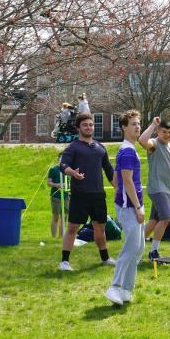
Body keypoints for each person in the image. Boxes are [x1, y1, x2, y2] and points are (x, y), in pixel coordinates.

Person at [59, 113, 116, 271]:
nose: (89, 127)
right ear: (78, 128)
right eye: (85, 125)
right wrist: (73, 173)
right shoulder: (73, 147)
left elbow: (109, 171)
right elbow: (63, 166)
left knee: (100, 228)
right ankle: (64, 262)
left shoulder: (100, 147)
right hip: (80, 194)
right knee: (72, 228)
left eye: (91, 124)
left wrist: (119, 188)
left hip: (98, 195)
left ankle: (105, 258)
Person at [105, 110, 145, 306]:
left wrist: (118, 192)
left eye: (138, 124)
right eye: (133, 124)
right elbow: (127, 181)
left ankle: (126, 290)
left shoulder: (129, 148)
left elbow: (116, 177)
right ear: (123, 127)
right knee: (131, 248)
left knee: (138, 248)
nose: (137, 127)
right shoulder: (128, 150)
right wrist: (137, 207)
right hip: (130, 206)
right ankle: (115, 286)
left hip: (131, 205)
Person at [139, 117, 170, 260]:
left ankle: (134, 247)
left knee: (154, 221)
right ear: (158, 132)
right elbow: (141, 141)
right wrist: (153, 124)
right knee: (166, 218)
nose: (167, 134)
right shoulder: (154, 144)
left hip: (166, 189)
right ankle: (153, 252)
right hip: (157, 188)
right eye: (164, 131)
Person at [47, 152, 70, 238]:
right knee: (56, 217)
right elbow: (49, 183)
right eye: (61, 158)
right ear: (58, 159)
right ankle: (53, 237)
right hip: (56, 197)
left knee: (64, 217)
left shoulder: (68, 170)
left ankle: (61, 237)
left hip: (66, 196)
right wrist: (57, 185)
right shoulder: (54, 169)